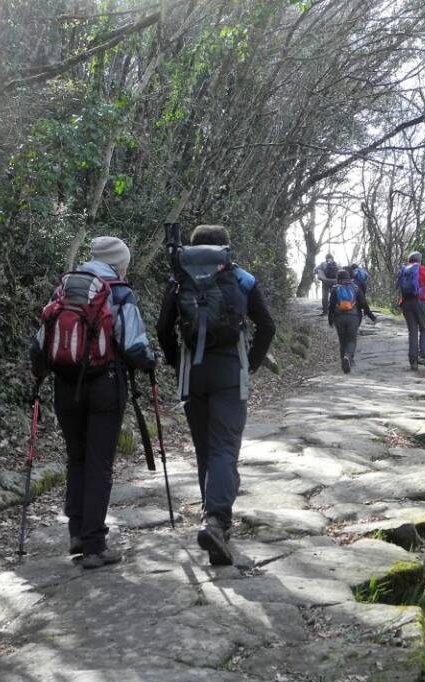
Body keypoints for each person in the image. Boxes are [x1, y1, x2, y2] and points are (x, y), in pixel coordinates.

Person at [30, 236, 156, 569]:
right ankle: (94, 546)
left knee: (77, 459)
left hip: (64, 386)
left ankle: (76, 533)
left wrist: (39, 375)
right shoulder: (119, 291)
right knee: (99, 464)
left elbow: (40, 343)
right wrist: (151, 362)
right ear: (119, 262)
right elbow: (134, 347)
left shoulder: (66, 288)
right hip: (105, 385)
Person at [156, 224, 275, 566]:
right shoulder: (240, 278)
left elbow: (164, 328)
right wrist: (250, 364)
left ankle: (214, 521)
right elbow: (267, 326)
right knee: (225, 447)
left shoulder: (179, 278)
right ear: (225, 247)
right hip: (229, 375)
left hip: (193, 376)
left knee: (206, 450)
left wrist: (177, 362)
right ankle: (217, 521)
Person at [328, 269, 376, 373]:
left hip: (339, 317)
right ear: (349, 277)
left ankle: (343, 362)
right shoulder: (356, 288)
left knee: (342, 340)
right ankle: (348, 357)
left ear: (338, 278)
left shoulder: (334, 289)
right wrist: (372, 316)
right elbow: (364, 304)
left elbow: (331, 306)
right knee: (351, 340)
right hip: (353, 317)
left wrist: (330, 319)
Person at [396, 251, 425, 371]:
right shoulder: (423, 270)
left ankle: (413, 362)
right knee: (424, 328)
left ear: (409, 260)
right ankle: (422, 355)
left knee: (412, 331)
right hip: (419, 302)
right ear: (419, 260)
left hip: (406, 303)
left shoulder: (403, 271)